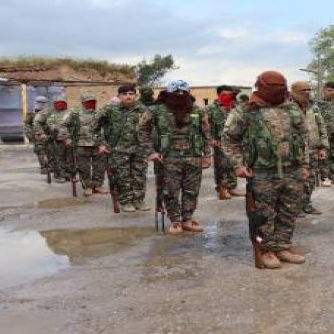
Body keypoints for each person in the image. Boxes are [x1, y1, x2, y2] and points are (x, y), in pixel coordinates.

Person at [222, 71, 310, 268]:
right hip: (262, 172)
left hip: (292, 170)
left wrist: (305, 165)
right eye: (272, 87)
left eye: (281, 87)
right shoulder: (246, 110)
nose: (278, 91)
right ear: (260, 87)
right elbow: (229, 139)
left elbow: (304, 139)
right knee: (264, 214)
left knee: (289, 211)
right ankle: (266, 250)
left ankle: (283, 247)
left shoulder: (293, 109)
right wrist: (238, 164)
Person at [139, 80, 212, 234]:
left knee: (192, 190)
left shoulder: (198, 111)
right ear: (168, 93)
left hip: (193, 157)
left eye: (183, 92)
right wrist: (150, 151)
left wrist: (207, 155)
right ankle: (175, 220)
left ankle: (187, 219)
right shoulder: (155, 111)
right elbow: (142, 131)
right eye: (176, 92)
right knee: (170, 191)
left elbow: (205, 134)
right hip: (167, 159)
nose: (180, 95)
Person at [96, 84, 150, 212]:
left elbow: (151, 129)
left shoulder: (143, 110)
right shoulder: (110, 110)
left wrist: (151, 148)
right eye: (125, 94)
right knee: (122, 177)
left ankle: (139, 201)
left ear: (135, 96)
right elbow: (95, 126)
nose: (128, 97)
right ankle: (125, 202)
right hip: (118, 149)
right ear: (119, 96)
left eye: (131, 94)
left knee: (139, 176)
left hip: (139, 149)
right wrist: (101, 143)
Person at [57, 93, 107, 196]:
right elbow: (62, 125)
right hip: (81, 144)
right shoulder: (75, 113)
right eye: (89, 102)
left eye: (93, 102)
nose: (92, 104)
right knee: (84, 168)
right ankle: (87, 187)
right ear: (83, 103)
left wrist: (105, 142)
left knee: (100, 167)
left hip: (98, 144)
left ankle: (98, 186)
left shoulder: (99, 113)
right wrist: (67, 138)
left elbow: (106, 128)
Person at [291, 81, 328, 215]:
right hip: (295, 150)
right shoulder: (288, 108)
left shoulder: (314, 107)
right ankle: (295, 207)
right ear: (293, 92)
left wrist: (323, 147)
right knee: (295, 180)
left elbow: (321, 126)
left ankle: (306, 204)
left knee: (310, 179)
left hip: (312, 148)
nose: (307, 92)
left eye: (308, 90)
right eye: (303, 90)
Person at [208, 85, 242, 199]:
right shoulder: (211, 109)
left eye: (230, 94)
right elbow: (204, 126)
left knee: (233, 163)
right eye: (225, 94)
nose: (228, 96)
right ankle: (222, 189)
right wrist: (210, 139)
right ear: (219, 95)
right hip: (220, 141)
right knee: (221, 166)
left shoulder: (235, 107)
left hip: (234, 141)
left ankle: (232, 188)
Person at [34, 94, 73, 183]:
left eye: (62, 103)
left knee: (69, 158)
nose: (60, 105)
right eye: (58, 103)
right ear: (54, 103)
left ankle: (67, 174)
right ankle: (58, 175)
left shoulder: (70, 112)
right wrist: (42, 133)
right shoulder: (48, 112)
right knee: (56, 158)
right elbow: (37, 122)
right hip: (54, 139)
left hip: (68, 139)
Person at [25, 95, 51, 175]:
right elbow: (27, 125)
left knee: (51, 151)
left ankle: (51, 166)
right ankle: (43, 167)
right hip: (37, 136)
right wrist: (30, 136)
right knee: (40, 152)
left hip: (49, 135)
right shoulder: (31, 113)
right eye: (40, 102)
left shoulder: (49, 112)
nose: (42, 104)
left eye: (44, 103)